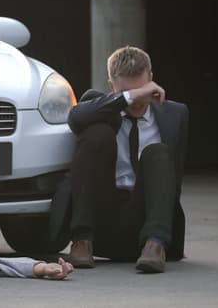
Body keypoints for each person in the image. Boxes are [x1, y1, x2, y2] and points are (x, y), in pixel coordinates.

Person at [48, 46, 189, 273]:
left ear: (151, 79)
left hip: (145, 220)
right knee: (97, 134)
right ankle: (81, 240)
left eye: (142, 89)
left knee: (158, 153)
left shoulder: (175, 114)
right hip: (101, 221)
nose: (139, 101)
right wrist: (128, 98)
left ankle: (156, 245)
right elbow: (75, 117)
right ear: (113, 87)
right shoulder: (99, 106)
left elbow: (174, 182)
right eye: (130, 93)